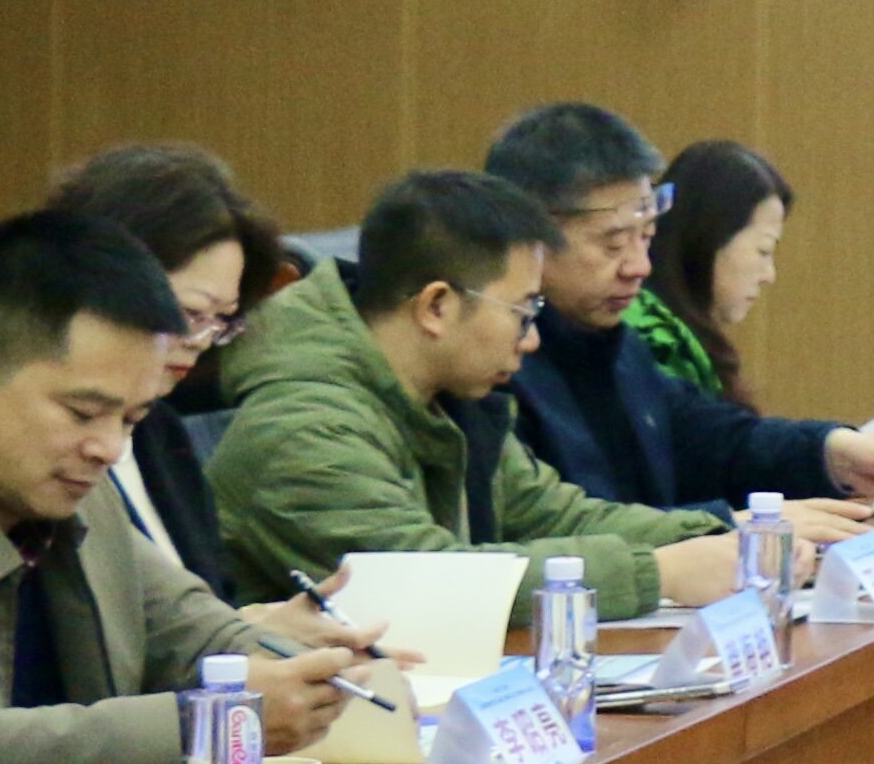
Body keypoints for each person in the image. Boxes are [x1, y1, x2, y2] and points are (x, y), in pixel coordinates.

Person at [0, 210, 390, 764]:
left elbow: (194, 631)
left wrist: (306, 671)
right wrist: (203, 729)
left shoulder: (71, 482)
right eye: (83, 413)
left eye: (130, 418)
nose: (109, 448)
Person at [214, 167, 743, 618]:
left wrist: (717, 532)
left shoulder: (450, 400)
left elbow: (552, 514)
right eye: (523, 312)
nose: (532, 340)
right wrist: (656, 573)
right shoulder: (302, 429)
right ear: (436, 307)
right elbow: (425, 584)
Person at [484, 103, 874, 517]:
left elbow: (715, 441)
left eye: (646, 237)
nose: (639, 267)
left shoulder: (616, 348)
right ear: (529, 237)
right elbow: (567, 530)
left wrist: (832, 453)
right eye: (613, 244)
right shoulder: (492, 370)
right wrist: (728, 528)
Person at [43, 138, 298, 593]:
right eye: (189, 314)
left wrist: (259, 624)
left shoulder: (162, 432)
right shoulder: (43, 444)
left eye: (222, 320)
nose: (200, 343)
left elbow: (205, 601)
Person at [642, 138, 791, 408]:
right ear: (709, 238)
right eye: (763, 250)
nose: (769, 275)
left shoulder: (687, 343)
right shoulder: (655, 345)